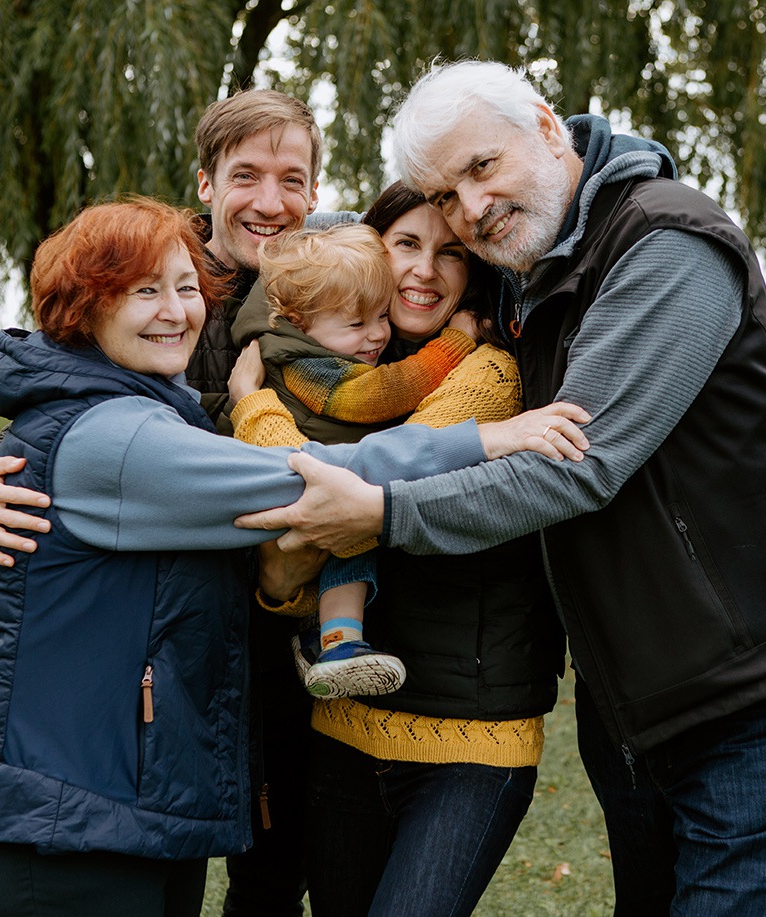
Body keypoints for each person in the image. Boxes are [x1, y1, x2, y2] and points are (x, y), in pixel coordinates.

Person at [236, 61, 766, 916]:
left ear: (545, 123)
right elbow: (308, 260)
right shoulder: (524, 267)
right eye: (445, 196)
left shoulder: (665, 241)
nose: (470, 207)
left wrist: (380, 509)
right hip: (629, 699)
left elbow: (582, 463)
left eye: (481, 168)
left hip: (747, 682)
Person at [0, 195, 589, 916]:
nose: (176, 311)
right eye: (144, 292)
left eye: (187, 289)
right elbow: (305, 475)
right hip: (72, 813)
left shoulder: (150, 406)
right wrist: (485, 439)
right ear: (84, 307)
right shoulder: (121, 433)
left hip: (121, 805)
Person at [0, 89, 327, 917]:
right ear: (206, 183)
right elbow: (58, 402)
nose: (271, 201)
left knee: (275, 862)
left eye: (293, 179)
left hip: (295, 625)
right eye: (247, 175)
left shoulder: (341, 284)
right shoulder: (157, 287)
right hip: (179, 632)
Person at [229, 181, 569, 916]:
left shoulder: (486, 371)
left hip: (470, 733)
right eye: (406, 244)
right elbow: (295, 516)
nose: (423, 270)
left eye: (451, 253)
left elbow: (365, 472)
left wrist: (253, 407)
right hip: (344, 728)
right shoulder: (328, 363)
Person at [241, 221, 485, 699]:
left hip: (325, 488)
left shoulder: (325, 343)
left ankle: (335, 642)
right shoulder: (302, 364)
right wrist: (454, 344)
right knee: (353, 544)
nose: (376, 334)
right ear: (299, 320)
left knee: (351, 549)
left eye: (379, 316)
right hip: (302, 487)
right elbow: (373, 397)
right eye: (357, 324)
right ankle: (337, 639)